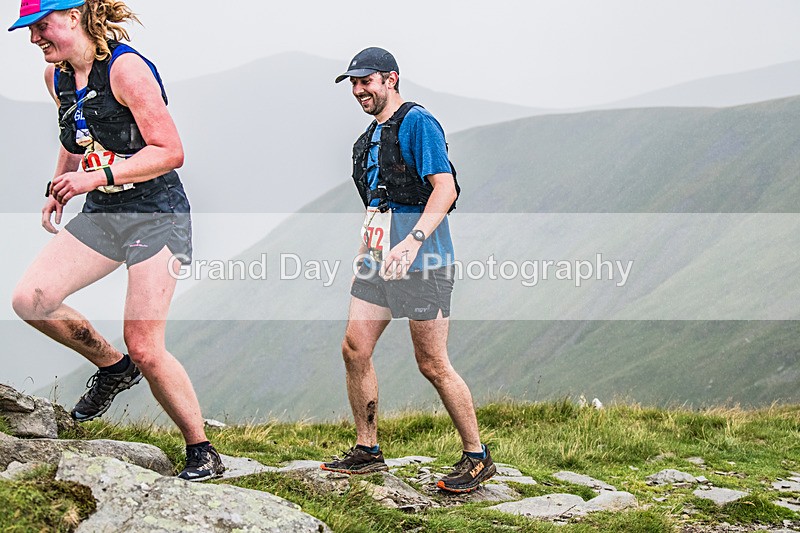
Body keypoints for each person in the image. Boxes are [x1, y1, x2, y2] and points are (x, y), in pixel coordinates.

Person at [8, 0, 224, 481]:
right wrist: (58, 186)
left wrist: (94, 177)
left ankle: (202, 450)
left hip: (156, 215)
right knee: (31, 299)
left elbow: (171, 151)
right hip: (105, 211)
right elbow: (73, 135)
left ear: (76, 16)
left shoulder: (126, 69)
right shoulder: (58, 77)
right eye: (28, 29)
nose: (34, 39)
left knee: (146, 344)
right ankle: (112, 367)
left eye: (41, 26)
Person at [321, 47, 495, 493]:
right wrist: (365, 251)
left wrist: (413, 242)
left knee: (432, 363)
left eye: (367, 81)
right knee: (354, 348)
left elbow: (445, 188)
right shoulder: (365, 142)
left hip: (425, 259)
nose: (360, 90)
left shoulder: (419, 123)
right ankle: (367, 449)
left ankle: (477, 457)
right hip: (378, 259)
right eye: (354, 84)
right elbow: (376, 205)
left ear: (391, 80)